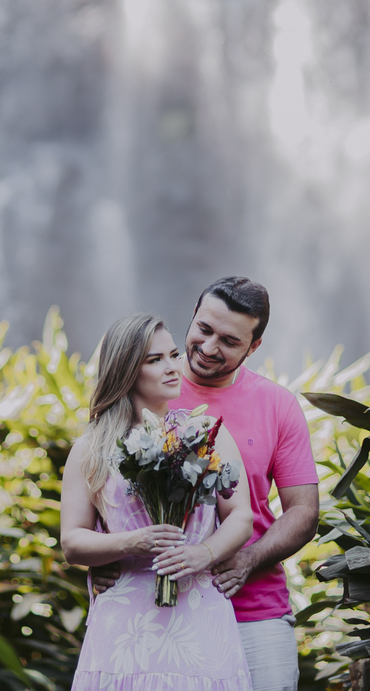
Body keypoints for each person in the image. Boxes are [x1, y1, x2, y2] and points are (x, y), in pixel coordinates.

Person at [91, 279, 319, 691]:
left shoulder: (277, 405)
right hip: (154, 613)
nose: (209, 347)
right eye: (204, 329)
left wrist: (248, 559)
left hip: (253, 610)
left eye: (230, 341)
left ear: (254, 347)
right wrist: (101, 554)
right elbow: (98, 485)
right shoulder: (145, 387)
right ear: (193, 316)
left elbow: (303, 510)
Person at [61, 313, 255, 691]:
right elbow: (72, 542)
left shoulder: (207, 435)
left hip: (198, 610)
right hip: (123, 623)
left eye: (172, 355)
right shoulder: (91, 449)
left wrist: (205, 552)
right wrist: (133, 542)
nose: (172, 367)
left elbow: (241, 517)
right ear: (127, 369)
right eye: (155, 360)